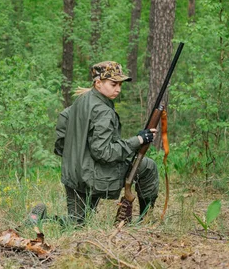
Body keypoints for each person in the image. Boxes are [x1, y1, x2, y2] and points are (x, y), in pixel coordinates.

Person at [52, 61, 159, 226]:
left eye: (120, 84)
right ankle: (145, 219)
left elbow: (62, 129)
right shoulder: (103, 111)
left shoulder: (81, 100)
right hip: (93, 178)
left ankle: (41, 219)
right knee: (148, 166)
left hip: (73, 176)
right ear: (98, 83)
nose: (118, 89)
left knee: (77, 224)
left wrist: (75, 158)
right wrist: (138, 140)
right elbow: (104, 153)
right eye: (113, 84)